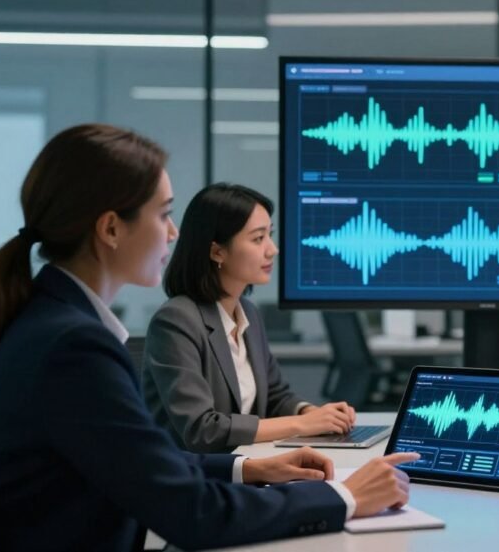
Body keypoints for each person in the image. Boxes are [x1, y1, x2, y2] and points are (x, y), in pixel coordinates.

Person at [0, 124, 418, 551]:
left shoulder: (52, 323)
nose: (173, 233)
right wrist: (344, 497)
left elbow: (141, 465)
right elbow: (193, 511)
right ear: (111, 229)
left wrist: (251, 468)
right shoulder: (74, 347)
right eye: (164, 214)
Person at [144, 183, 355, 454]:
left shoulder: (248, 313)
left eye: (270, 235)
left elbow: (276, 396)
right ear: (217, 252)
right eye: (258, 239)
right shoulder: (176, 320)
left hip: (247, 464)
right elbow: (202, 429)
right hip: (196, 473)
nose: (272, 249)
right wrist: (302, 424)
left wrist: (313, 413)